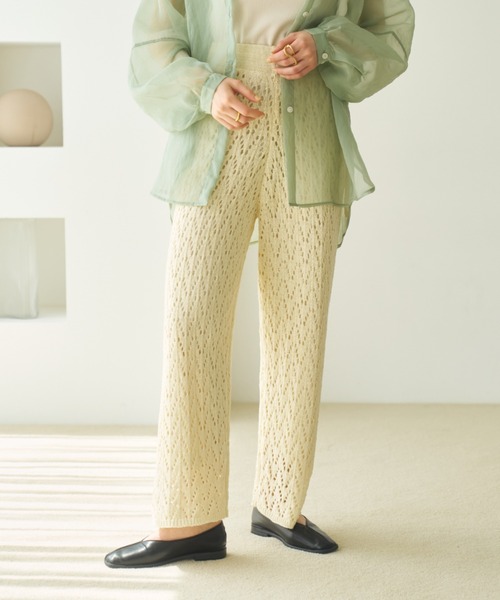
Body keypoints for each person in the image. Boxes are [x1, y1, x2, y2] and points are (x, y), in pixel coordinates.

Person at [104, 0, 415, 568]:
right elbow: (153, 45)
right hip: (216, 130)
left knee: (299, 323)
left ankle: (280, 502)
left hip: (310, 132)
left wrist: (325, 44)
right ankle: (188, 520)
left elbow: (390, 30)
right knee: (190, 321)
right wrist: (206, 90)